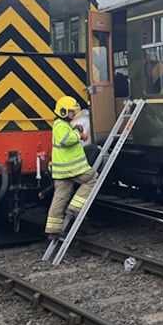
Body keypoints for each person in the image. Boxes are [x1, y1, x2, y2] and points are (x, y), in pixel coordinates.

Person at [44, 96, 96, 238]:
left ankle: (53, 230)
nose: (73, 115)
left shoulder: (61, 125)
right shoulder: (60, 126)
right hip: (73, 168)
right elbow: (66, 139)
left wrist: (75, 127)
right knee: (92, 179)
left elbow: (67, 130)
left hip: (61, 171)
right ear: (62, 112)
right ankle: (75, 208)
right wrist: (78, 134)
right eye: (71, 112)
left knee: (60, 198)